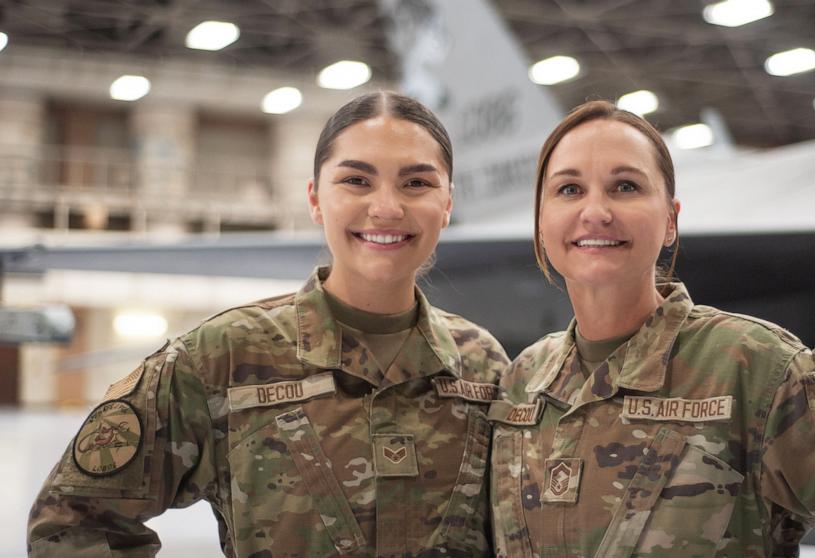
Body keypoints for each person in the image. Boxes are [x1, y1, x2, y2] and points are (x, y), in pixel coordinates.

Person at [487, 100, 815, 557]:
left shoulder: (756, 368)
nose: (595, 212)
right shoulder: (523, 383)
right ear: (541, 221)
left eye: (626, 186)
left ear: (670, 221)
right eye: (569, 189)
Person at [28, 91, 509, 557]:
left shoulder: (481, 366)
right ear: (315, 199)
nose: (386, 207)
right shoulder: (224, 356)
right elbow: (70, 522)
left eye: (417, 183)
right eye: (356, 181)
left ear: (448, 204)